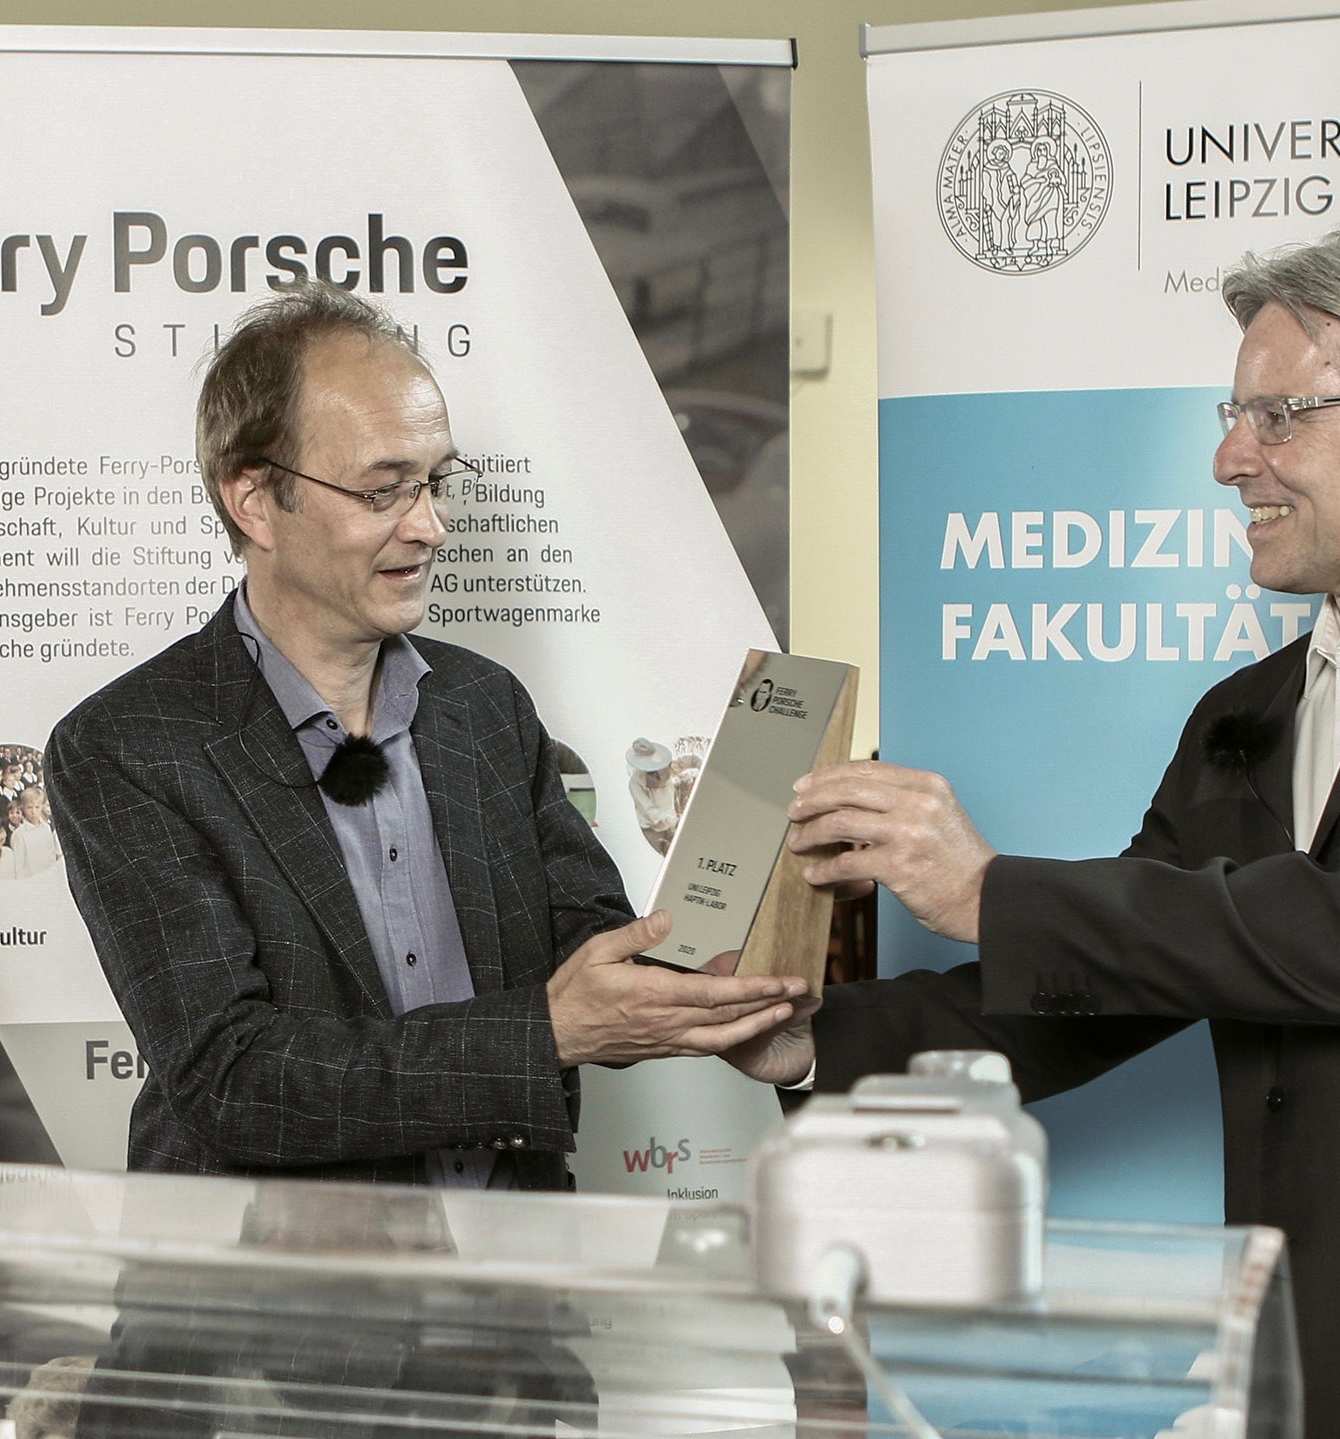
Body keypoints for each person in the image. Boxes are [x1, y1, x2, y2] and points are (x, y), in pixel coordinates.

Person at [735, 219, 1340, 1439]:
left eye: (1278, 416)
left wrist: (986, 886)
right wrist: (801, 1041)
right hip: (1298, 1353)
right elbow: (1109, 982)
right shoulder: (1241, 713)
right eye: (1229, 414)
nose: (1228, 460)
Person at [48, 283, 803, 1188]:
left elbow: (587, 951)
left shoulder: (485, 706)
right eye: (383, 490)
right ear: (254, 501)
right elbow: (234, 1080)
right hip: (271, 1307)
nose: (430, 526)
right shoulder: (128, 745)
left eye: (437, 481)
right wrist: (545, 1032)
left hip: (512, 1283)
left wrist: (718, 988)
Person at [8, 785, 61, 878]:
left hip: (49, 877)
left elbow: (51, 855)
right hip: (31, 880)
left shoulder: (46, 827)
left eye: (37, 807)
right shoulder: (19, 834)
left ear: (42, 806)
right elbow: (18, 866)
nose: (33, 811)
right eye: (29, 807)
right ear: (23, 808)